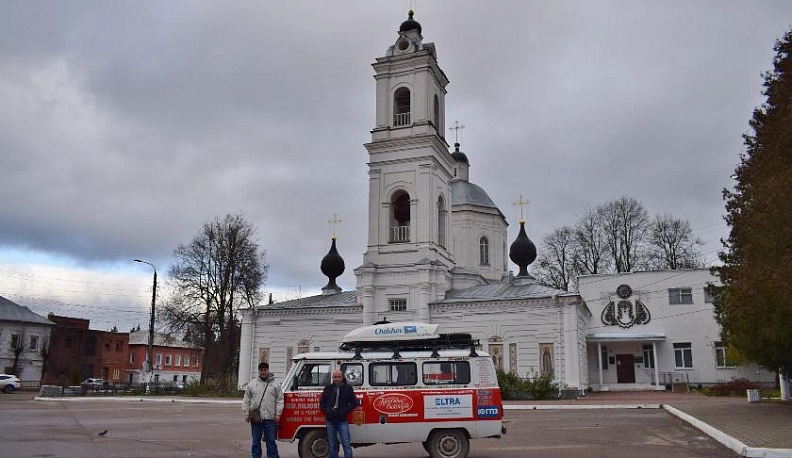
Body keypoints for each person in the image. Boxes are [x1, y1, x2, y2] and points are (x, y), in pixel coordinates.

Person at [243, 362, 284, 458]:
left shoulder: (275, 385)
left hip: (270, 419)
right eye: (261, 370)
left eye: (265, 370)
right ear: (258, 371)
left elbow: (280, 400)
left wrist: (278, 414)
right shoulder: (252, 385)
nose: (263, 372)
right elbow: (246, 400)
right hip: (256, 419)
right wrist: (246, 414)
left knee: (271, 442)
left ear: (268, 370)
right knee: (256, 442)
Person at [319, 370, 357, 458]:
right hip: (330, 421)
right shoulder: (328, 388)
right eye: (335, 377)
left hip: (342, 421)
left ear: (342, 377)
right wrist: (327, 411)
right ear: (332, 378)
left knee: (346, 444)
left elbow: (354, 403)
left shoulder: (348, 388)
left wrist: (345, 411)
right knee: (332, 445)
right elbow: (322, 404)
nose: (337, 379)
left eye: (338, 377)